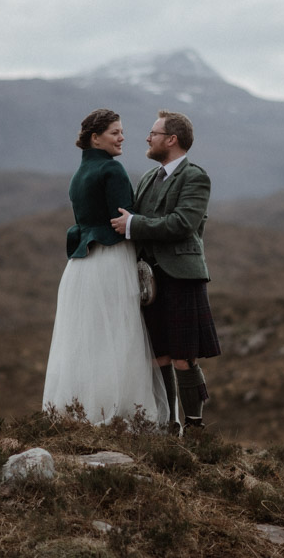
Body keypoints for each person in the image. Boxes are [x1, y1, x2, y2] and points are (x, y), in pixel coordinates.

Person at [42, 108, 168, 426]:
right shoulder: (112, 171)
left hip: (81, 267)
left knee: (88, 340)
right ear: (95, 138)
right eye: (115, 132)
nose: (122, 137)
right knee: (119, 336)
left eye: (121, 131)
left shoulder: (78, 175)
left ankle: (81, 410)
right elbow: (122, 220)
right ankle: (120, 413)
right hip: (110, 261)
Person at [111, 110, 221, 434]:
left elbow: (183, 224)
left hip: (182, 276)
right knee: (157, 354)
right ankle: (167, 423)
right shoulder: (148, 177)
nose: (147, 138)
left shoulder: (195, 177)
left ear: (171, 139)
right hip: (149, 281)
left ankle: (195, 426)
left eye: (153, 133)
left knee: (183, 357)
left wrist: (134, 224)